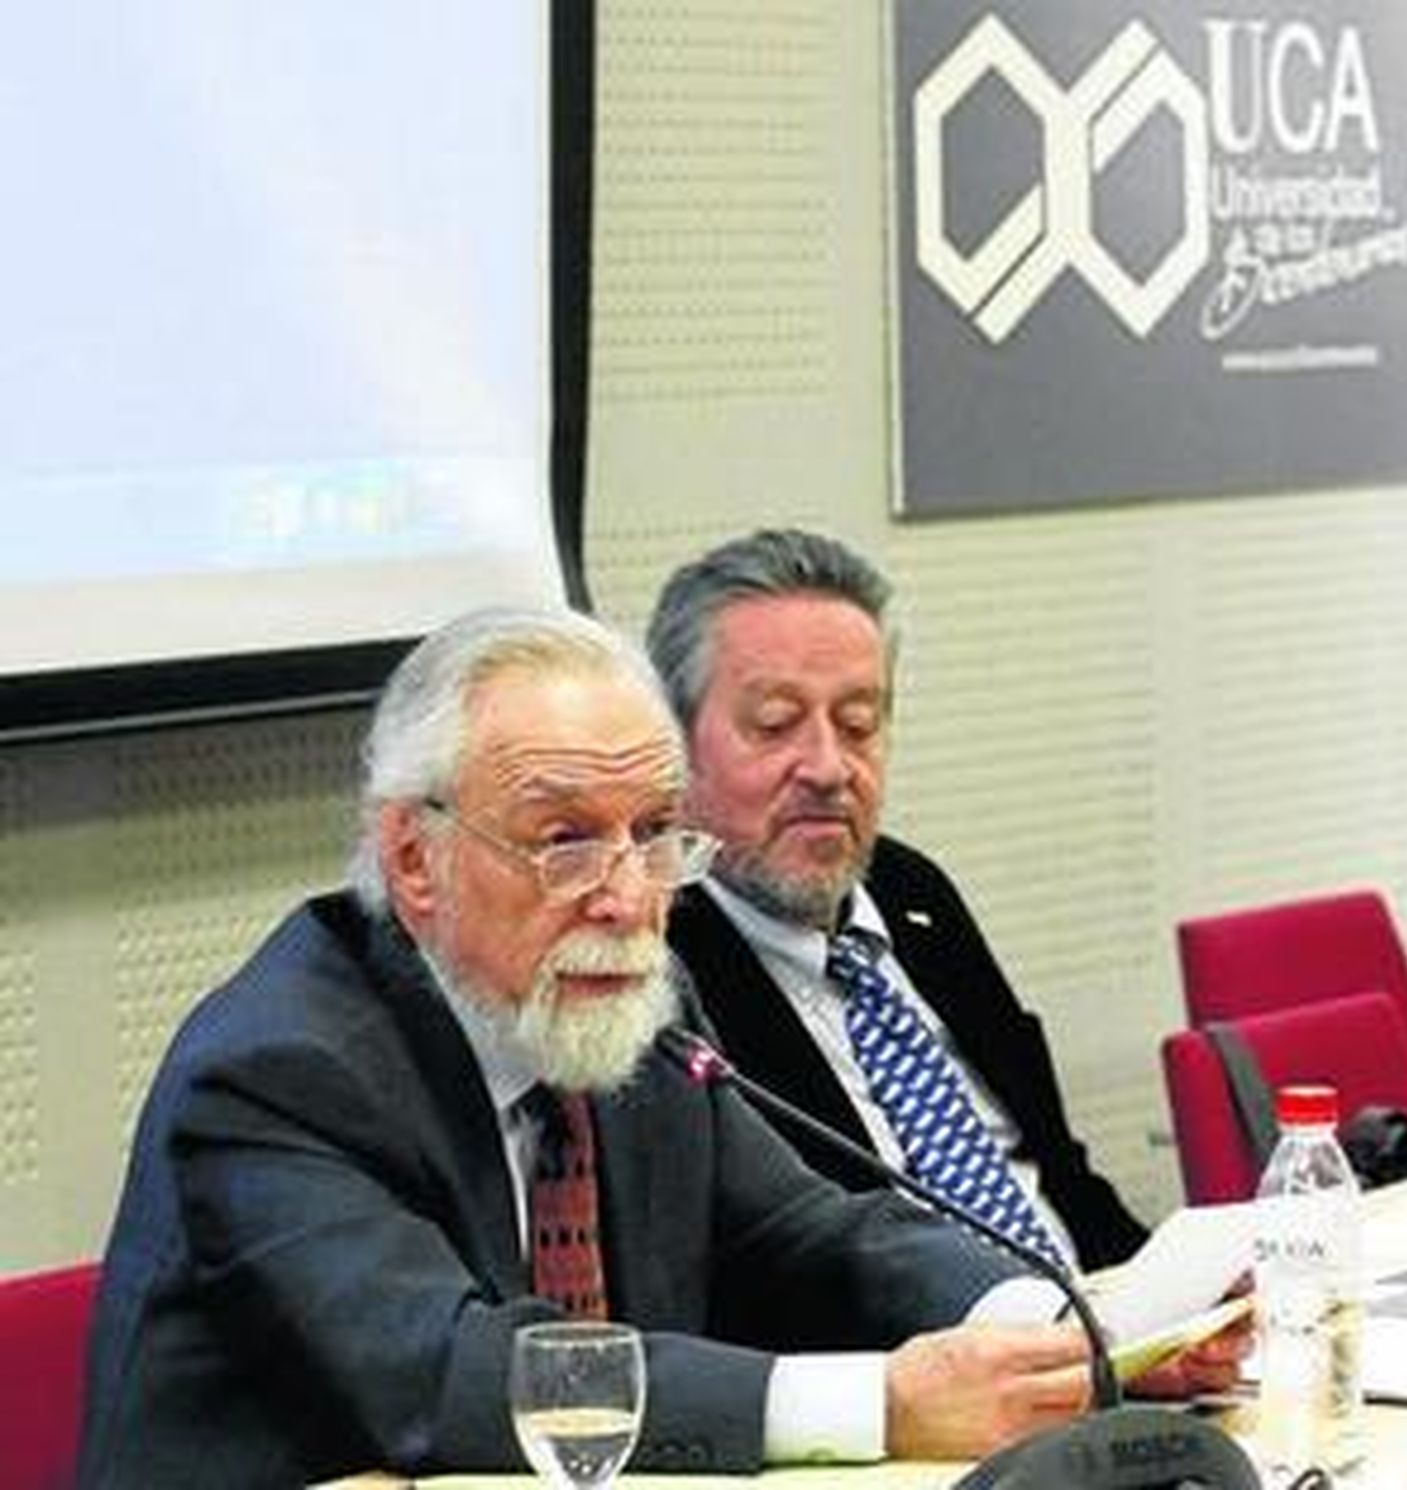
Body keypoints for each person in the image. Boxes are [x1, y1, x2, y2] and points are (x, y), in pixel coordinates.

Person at [79, 606, 1240, 1488]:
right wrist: (882, 1401)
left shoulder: (619, 1008)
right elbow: (465, 1375)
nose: (629, 896)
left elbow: (816, 1229)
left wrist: (1052, 1334)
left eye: (653, 835)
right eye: (566, 841)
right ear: (414, 858)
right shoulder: (277, 1071)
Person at [648, 528, 1148, 1272]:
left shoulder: (910, 891)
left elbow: (1060, 1176)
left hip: (1104, 1341)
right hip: (911, 1367)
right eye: (776, 725)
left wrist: (1186, 1301)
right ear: (674, 748)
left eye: (858, 724)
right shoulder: (658, 960)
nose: (827, 767)